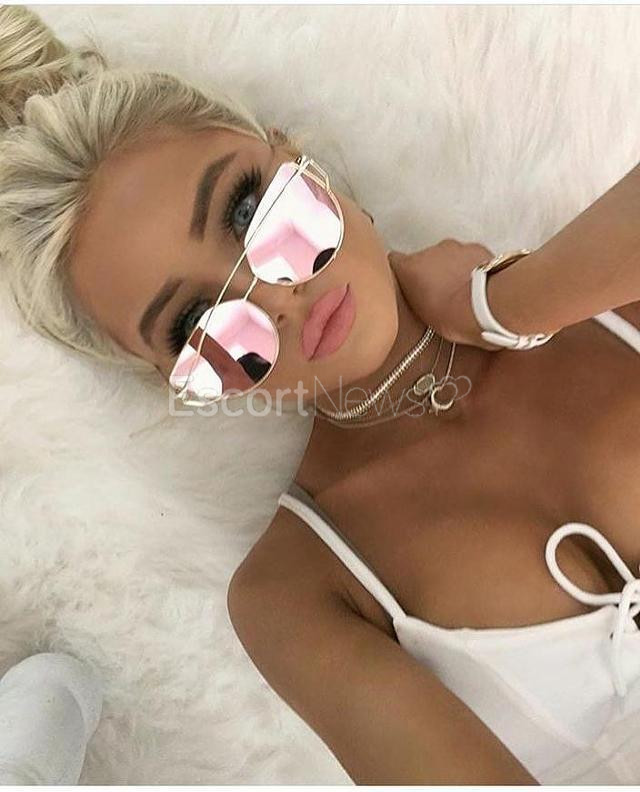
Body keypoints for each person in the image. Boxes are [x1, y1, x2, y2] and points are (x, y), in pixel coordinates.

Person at [2, 5, 640, 784]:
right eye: (197, 318)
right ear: (179, 378)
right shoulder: (296, 591)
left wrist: (508, 303)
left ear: (297, 157)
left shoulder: (605, 296)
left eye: (246, 209)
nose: (277, 296)